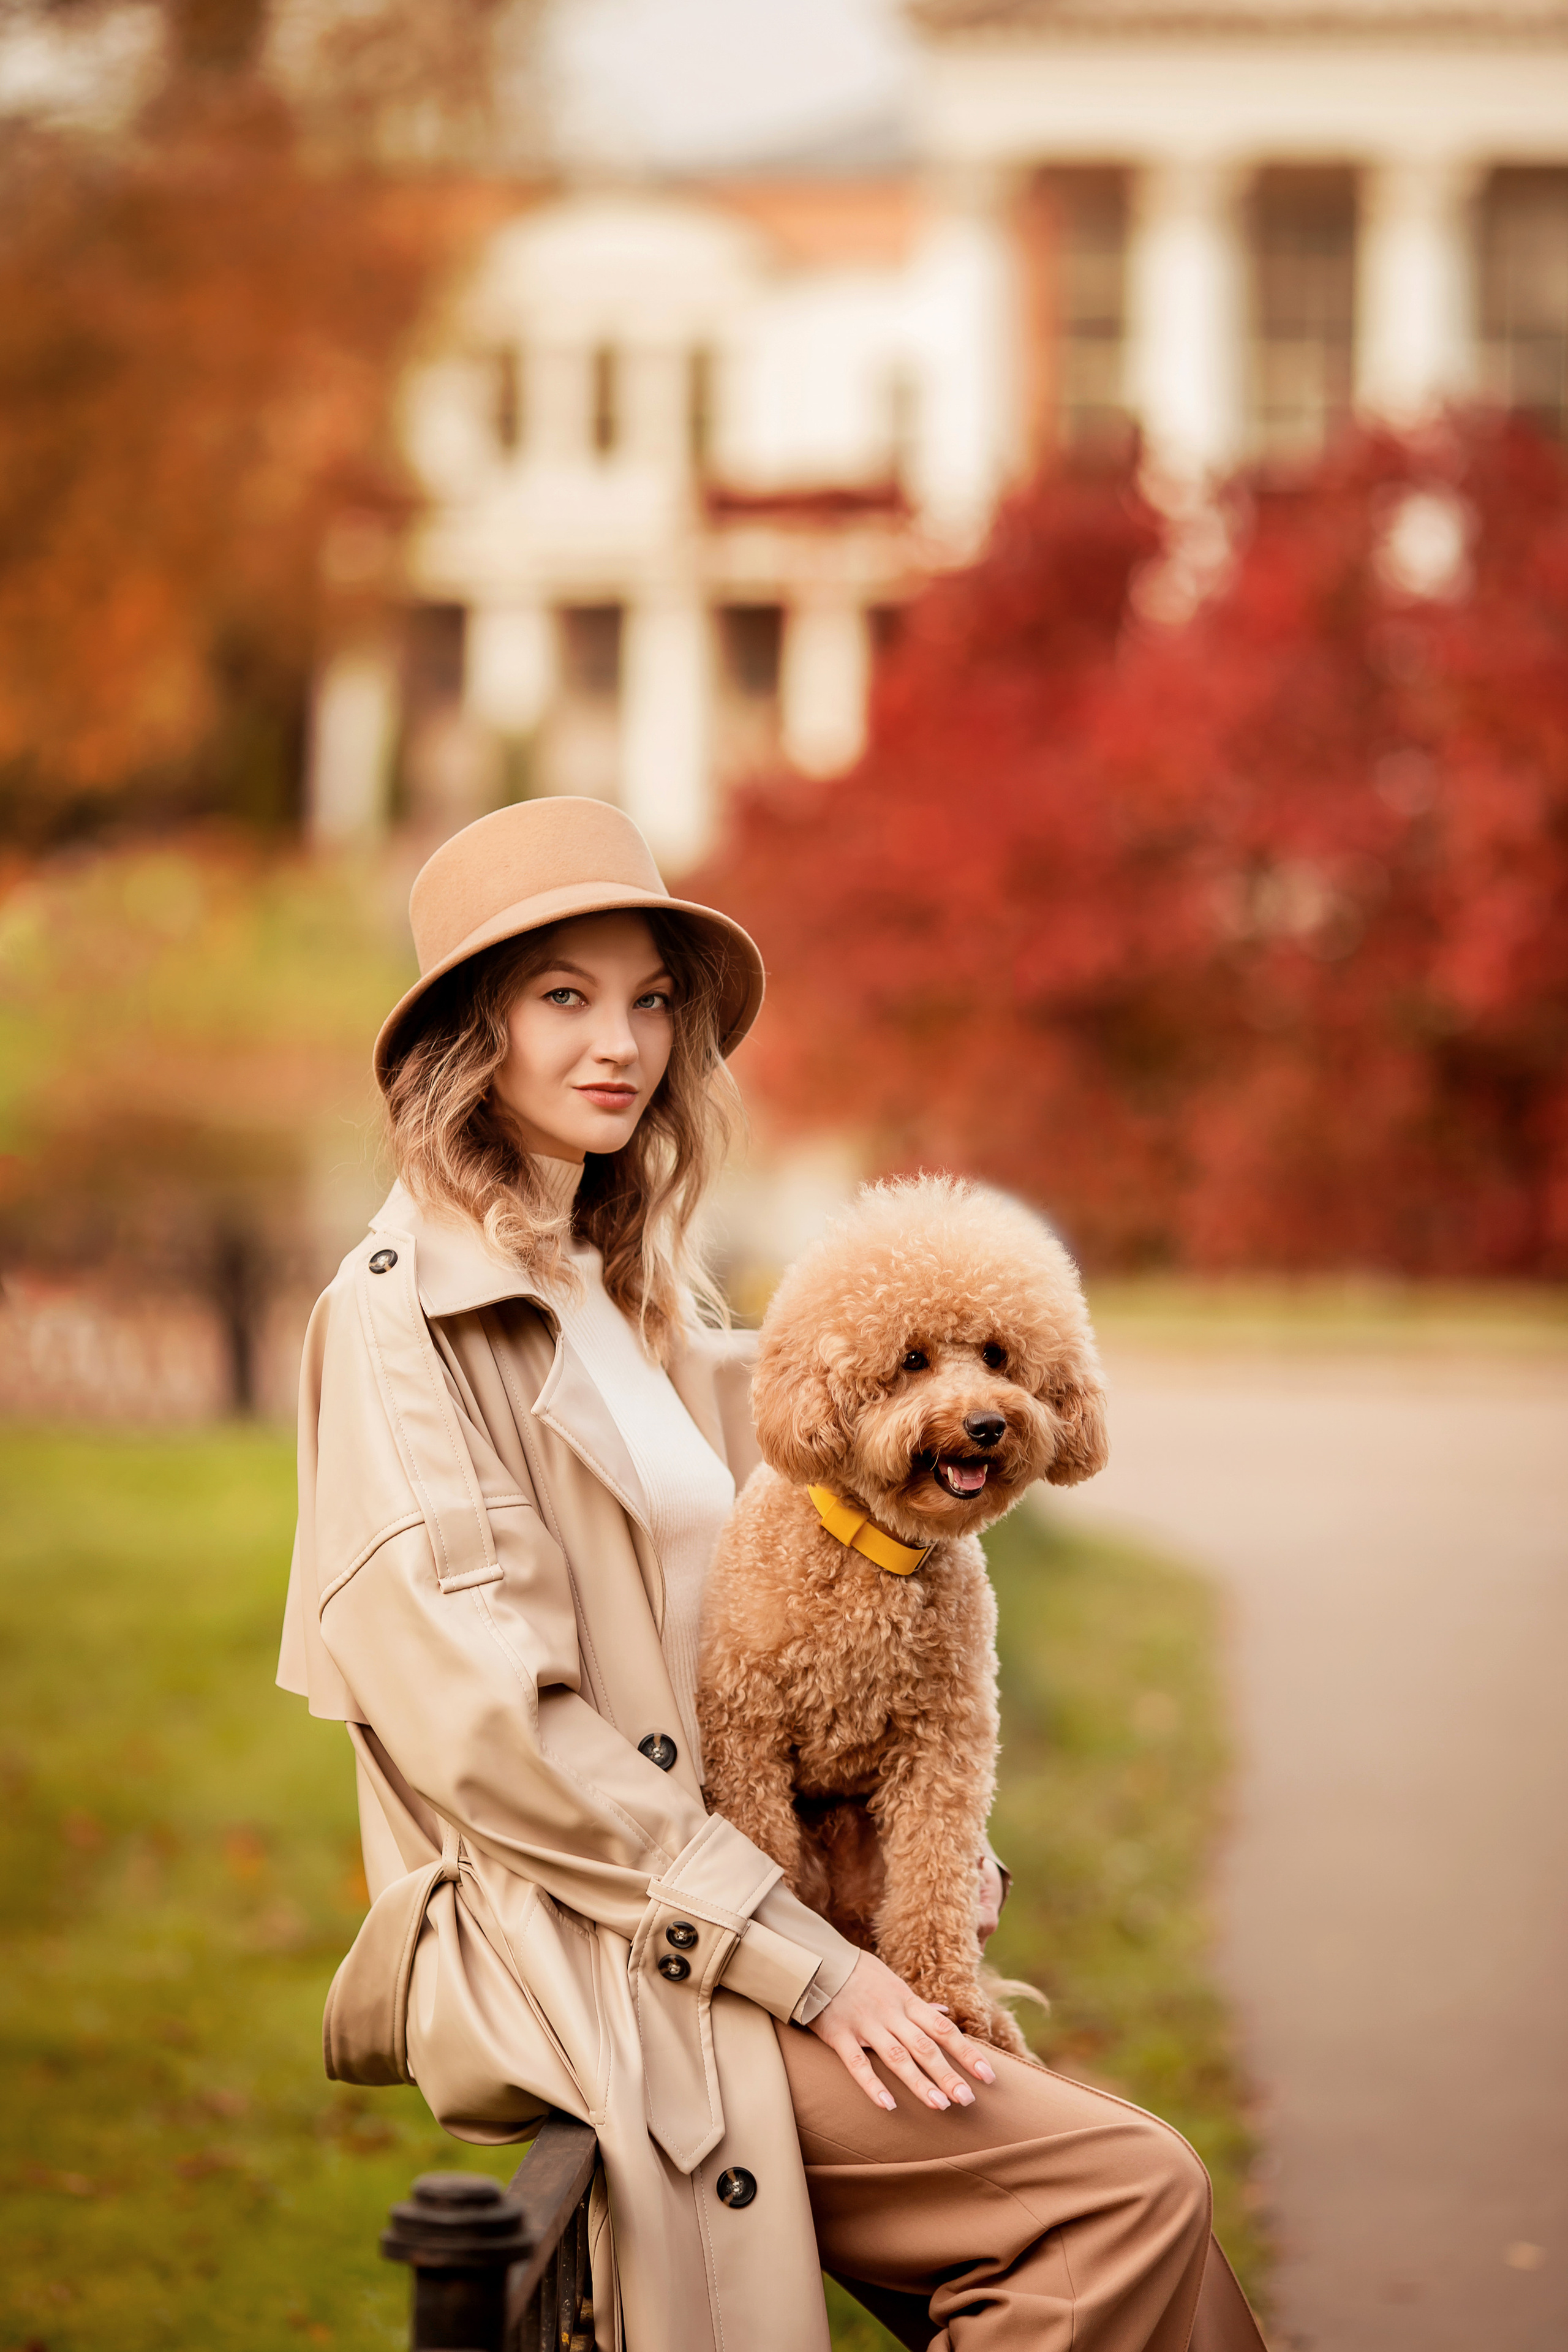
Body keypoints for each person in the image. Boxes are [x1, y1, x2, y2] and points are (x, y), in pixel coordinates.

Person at [278, 797, 1265, 2352]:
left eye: (651, 1000)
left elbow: (821, 1544)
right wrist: (803, 1961)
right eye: (564, 997)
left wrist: (904, 1851)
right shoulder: (400, 1319)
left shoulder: (632, 1288)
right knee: (1123, 2193)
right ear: (475, 1029)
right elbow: (493, 1736)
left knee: (1146, 2235)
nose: (621, 1043)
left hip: (751, 1898)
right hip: (609, 1947)